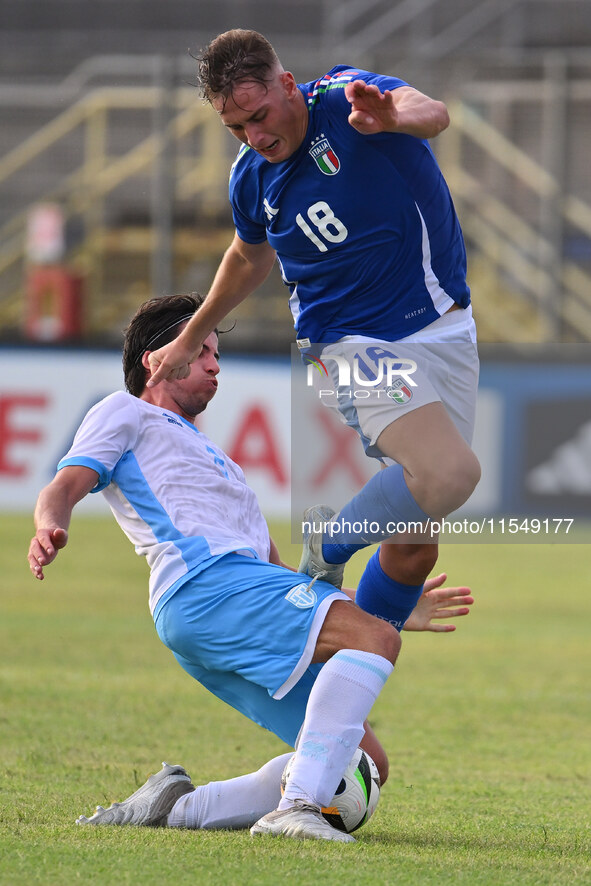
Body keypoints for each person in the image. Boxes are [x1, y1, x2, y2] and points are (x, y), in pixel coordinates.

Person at [28, 293, 473, 842]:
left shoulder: (227, 471)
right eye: (204, 350)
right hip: (207, 587)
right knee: (375, 644)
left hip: (213, 609)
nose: (216, 365)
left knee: (361, 762)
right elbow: (63, 484)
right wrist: (50, 526)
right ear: (155, 358)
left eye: (218, 353)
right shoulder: (126, 412)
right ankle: (298, 808)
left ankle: (175, 807)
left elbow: (285, 584)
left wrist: (379, 607)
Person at [143, 29, 481, 634]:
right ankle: (330, 543)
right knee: (451, 475)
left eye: (259, 115)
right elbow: (248, 258)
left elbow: (433, 114)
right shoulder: (251, 178)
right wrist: (193, 334)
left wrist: (393, 117)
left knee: (411, 550)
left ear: (288, 85)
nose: (253, 135)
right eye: (236, 127)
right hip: (347, 343)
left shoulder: (351, 100)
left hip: (445, 329)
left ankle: (340, 674)